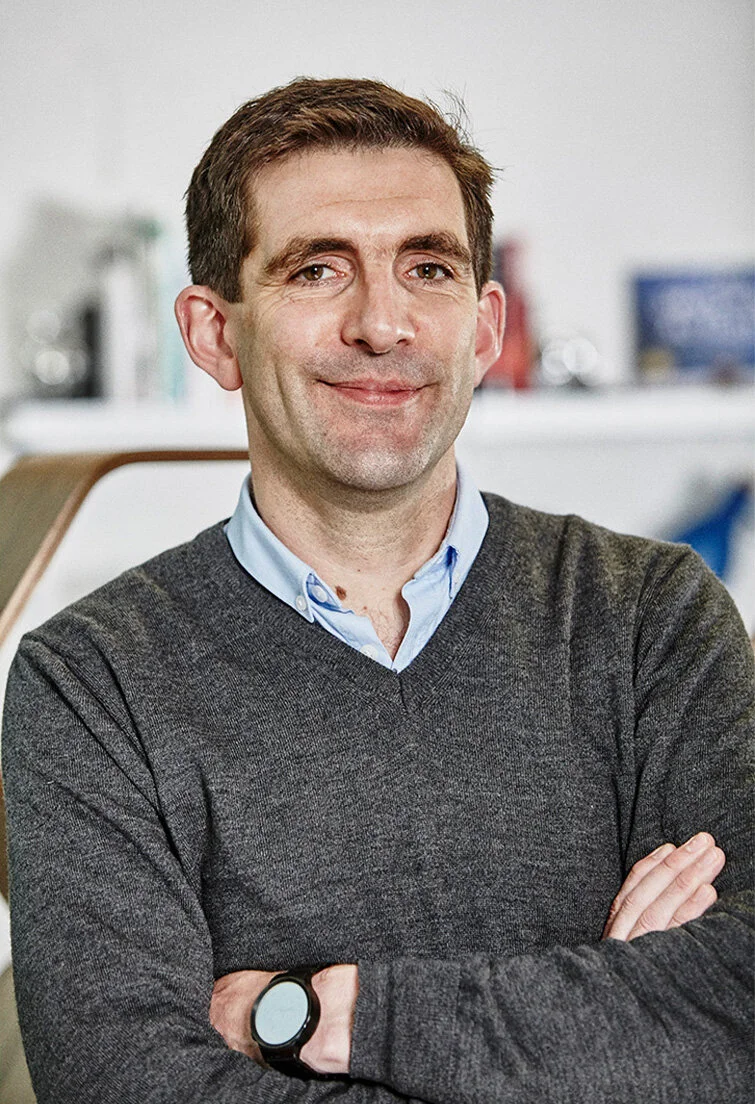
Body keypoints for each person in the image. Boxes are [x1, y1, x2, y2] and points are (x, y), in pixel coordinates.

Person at [2, 77, 752, 1103]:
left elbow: (735, 1021)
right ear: (215, 333)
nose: (381, 323)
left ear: (484, 327)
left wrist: (313, 1014)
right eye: (316, 270)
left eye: (428, 268)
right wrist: (607, 1021)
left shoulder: (653, 618)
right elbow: (126, 1085)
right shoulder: (90, 682)